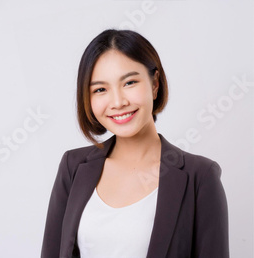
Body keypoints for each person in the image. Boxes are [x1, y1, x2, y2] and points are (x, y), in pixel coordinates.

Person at [40, 29, 229, 258]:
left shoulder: (200, 176)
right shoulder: (73, 166)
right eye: (100, 89)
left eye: (129, 82)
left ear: (155, 83)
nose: (118, 102)